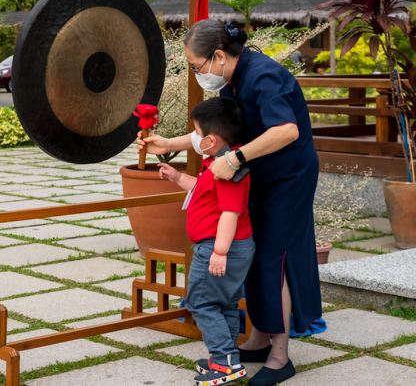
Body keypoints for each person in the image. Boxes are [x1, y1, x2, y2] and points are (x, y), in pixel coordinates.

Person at [138, 20, 321, 386]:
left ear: (219, 56)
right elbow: (216, 133)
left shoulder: (264, 76)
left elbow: (287, 130)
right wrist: (168, 145)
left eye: (196, 65)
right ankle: (257, 339)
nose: (196, 73)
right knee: (253, 257)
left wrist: (234, 160)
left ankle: (280, 357)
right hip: (260, 174)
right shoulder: (235, 78)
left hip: (288, 178)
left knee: (273, 260)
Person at [158, 97, 255, 386]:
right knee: (223, 303)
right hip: (226, 247)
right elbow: (202, 191)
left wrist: (219, 252)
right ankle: (225, 360)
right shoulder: (219, 161)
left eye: (197, 135)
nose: (195, 140)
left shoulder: (229, 171)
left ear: (210, 139)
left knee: (200, 302)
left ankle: (224, 361)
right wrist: (177, 177)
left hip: (219, 247)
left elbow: (230, 212)